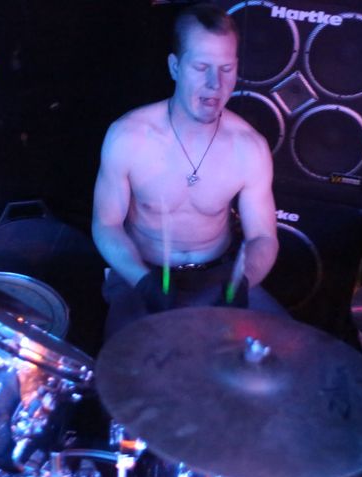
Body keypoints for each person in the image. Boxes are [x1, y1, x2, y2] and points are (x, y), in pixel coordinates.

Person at [92, 3, 283, 338]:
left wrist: (242, 282)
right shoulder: (128, 137)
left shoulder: (249, 147)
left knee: (285, 349)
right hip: (142, 273)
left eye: (226, 69)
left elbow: (263, 237)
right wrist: (143, 281)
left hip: (219, 279)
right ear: (175, 67)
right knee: (127, 361)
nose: (214, 83)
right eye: (201, 67)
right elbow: (106, 225)